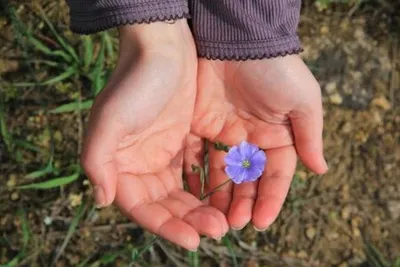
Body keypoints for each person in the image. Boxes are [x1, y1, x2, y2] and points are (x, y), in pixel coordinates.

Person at [66, 0, 328, 251]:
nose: (246, 164)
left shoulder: (244, 158)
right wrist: (157, 40)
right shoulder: (242, 156)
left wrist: (246, 38)